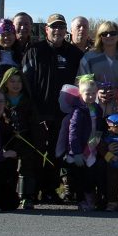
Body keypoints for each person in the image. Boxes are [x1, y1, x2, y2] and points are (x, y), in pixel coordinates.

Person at [22, 13, 84, 202]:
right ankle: (31, 191)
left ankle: (49, 189)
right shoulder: (34, 50)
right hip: (38, 112)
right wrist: (33, 110)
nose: (57, 30)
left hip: (64, 114)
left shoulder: (74, 54)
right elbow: (26, 82)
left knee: (56, 154)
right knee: (36, 152)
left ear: (66, 31)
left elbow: (81, 82)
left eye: (61, 27)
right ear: (46, 29)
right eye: (53, 27)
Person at [0, 67, 47, 210]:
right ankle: (8, 195)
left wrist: (37, 142)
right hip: (7, 141)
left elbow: (35, 124)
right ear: (6, 83)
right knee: (8, 167)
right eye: (12, 81)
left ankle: (27, 197)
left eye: (19, 81)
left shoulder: (27, 101)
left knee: (27, 168)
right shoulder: (1, 101)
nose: (16, 84)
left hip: (26, 140)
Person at [56, 76, 105, 211]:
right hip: (79, 150)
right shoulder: (78, 111)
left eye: (93, 93)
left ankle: (91, 197)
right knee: (80, 176)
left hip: (92, 147)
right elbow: (73, 133)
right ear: (81, 94)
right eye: (87, 93)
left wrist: (97, 140)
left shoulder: (97, 108)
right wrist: (76, 152)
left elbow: (99, 126)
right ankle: (82, 200)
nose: (90, 96)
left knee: (91, 174)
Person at [78, 21, 118, 117]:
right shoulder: (88, 58)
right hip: (94, 109)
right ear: (100, 37)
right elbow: (82, 81)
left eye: (113, 33)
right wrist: (95, 93)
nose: (109, 36)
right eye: (104, 34)